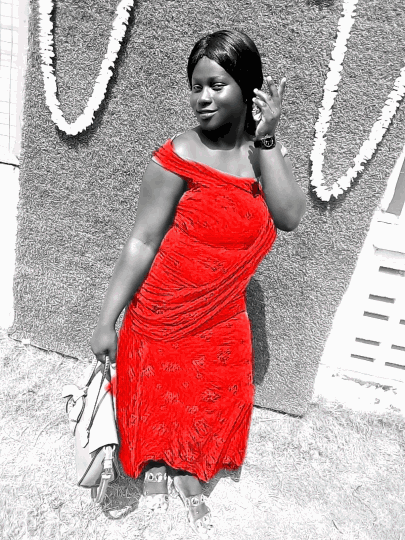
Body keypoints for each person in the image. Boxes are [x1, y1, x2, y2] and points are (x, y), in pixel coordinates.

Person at [90, 28, 306, 538]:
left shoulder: (262, 154)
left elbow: (290, 216)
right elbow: (143, 240)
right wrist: (106, 320)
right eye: (196, 87)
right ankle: (155, 461)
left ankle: (187, 465)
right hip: (163, 307)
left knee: (208, 394)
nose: (203, 98)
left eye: (217, 85)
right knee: (161, 391)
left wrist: (268, 136)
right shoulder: (179, 152)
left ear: (248, 89)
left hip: (224, 310)